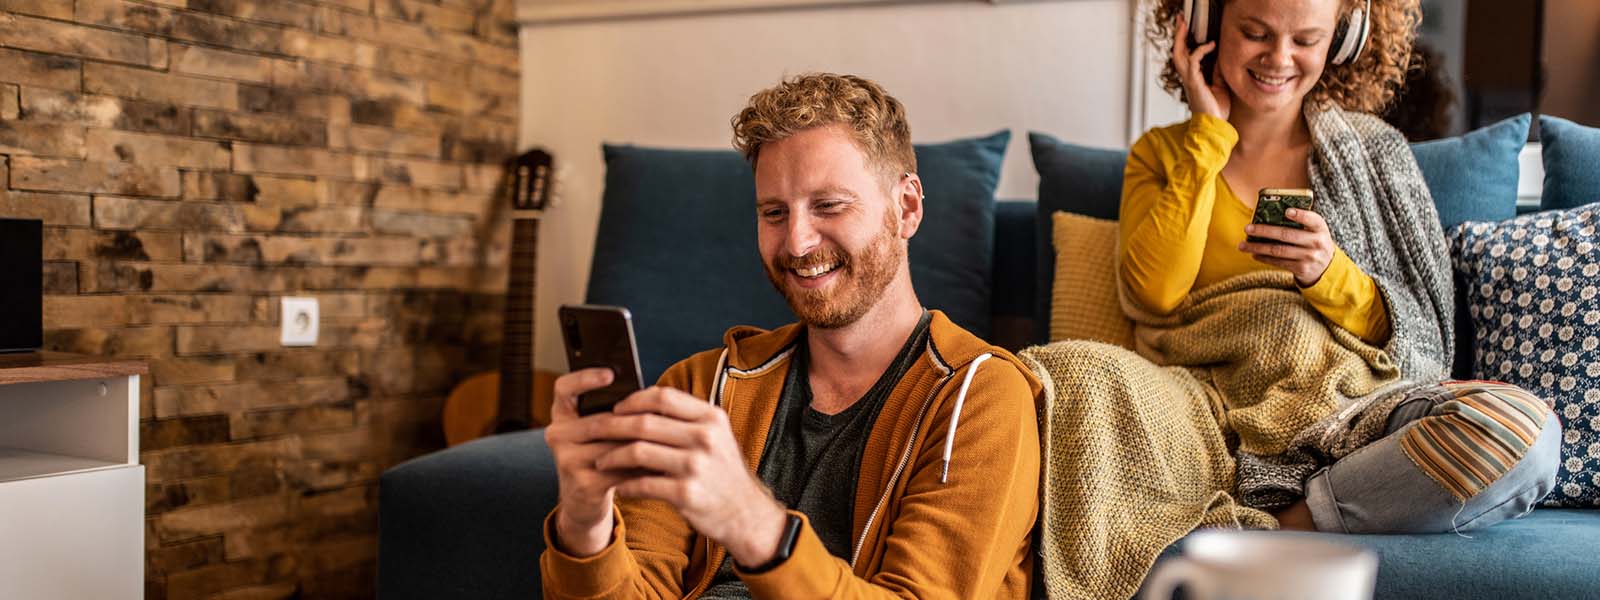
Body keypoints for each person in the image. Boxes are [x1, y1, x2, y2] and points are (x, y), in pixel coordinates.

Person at [1022, 1, 1561, 597]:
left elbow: (1421, 333)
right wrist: (1208, 133)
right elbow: (1152, 292)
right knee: (1066, 370)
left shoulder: (1375, 155)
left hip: (1356, 410)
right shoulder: (1165, 154)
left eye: (1306, 40)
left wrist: (1327, 272)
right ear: (1204, 26)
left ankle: (1284, 525)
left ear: (1343, 40)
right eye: (1255, 33)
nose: (1278, 59)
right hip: (1204, 411)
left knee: (1523, 432)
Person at [539, 73, 1043, 600]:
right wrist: (583, 520)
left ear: (907, 208)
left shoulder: (980, 397)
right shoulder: (697, 387)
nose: (798, 244)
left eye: (829, 206)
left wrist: (751, 521)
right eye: (774, 213)